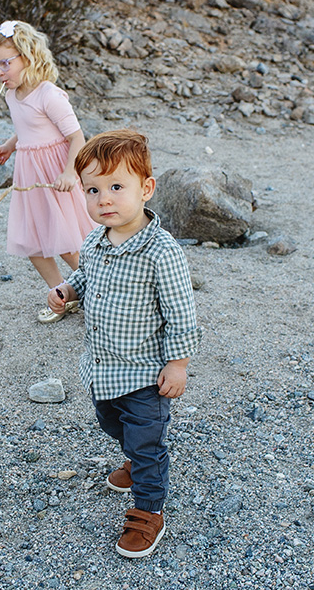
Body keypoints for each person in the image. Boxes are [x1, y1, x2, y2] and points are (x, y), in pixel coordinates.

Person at [47, 129, 202, 558]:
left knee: (147, 442)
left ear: (146, 189)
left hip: (144, 374)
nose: (104, 199)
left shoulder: (160, 252)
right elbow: (85, 277)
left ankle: (149, 511)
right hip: (102, 369)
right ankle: (135, 458)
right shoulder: (96, 239)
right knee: (111, 424)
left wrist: (178, 364)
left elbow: (181, 313)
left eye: (117, 187)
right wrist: (68, 290)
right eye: (93, 189)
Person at [0, 20, 96, 323]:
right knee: (33, 241)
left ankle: (104, 292)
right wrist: (9, 145)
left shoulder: (49, 95)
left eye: (5, 63)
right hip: (30, 175)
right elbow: (27, 128)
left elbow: (76, 137)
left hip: (57, 174)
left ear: (28, 56)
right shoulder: (11, 94)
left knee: (67, 241)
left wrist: (70, 173)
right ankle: (62, 294)